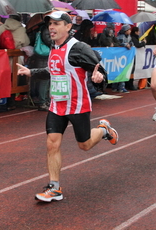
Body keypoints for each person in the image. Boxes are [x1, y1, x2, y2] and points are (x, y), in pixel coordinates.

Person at [16, 11, 118, 202]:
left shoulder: (78, 48)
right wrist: (32, 72)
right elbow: (53, 70)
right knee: (51, 143)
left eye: (56, 24)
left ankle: (103, 130)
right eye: (50, 24)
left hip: (77, 105)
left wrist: (99, 78)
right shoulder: (54, 47)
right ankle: (54, 187)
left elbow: (100, 71)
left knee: (84, 145)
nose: (51, 28)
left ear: (68, 27)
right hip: (57, 105)